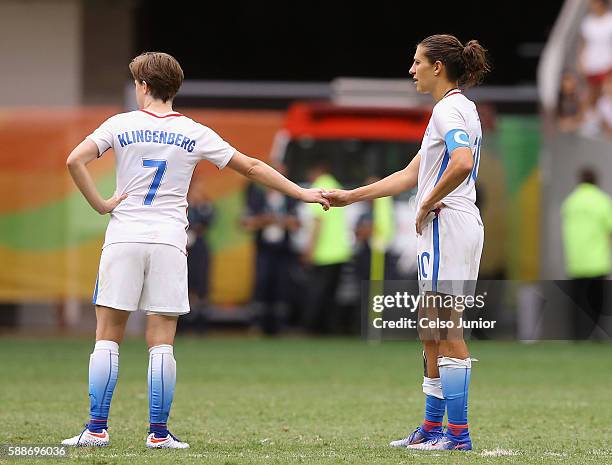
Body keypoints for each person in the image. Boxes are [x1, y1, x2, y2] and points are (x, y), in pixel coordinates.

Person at [62, 52, 329, 449]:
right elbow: (253, 167)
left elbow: (74, 160)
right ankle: (158, 434)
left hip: (124, 237)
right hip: (171, 241)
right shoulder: (194, 132)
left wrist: (101, 204)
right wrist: (303, 193)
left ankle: (96, 429)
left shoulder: (121, 124)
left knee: (107, 336)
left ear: (144, 86)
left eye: (137, 82)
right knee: (162, 339)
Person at [325, 34, 490, 451]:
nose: (411, 68)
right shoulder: (457, 109)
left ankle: (458, 435)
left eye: (417, 61)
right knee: (430, 326)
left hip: (446, 222)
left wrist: (426, 203)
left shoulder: (448, 109)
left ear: (438, 67)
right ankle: (434, 428)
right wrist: (351, 197)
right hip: (455, 221)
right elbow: (409, 175)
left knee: (445, 325)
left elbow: (462, 163)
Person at [241, 166, 301, 335]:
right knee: (261, 284)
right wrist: (265, 220)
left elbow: (296, 224)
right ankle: (257, 324)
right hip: (264, 249)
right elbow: (246, 223)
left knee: (281, 286)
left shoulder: (290, 199)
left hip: (283, 250)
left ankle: (279, 325)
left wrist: (280, 220)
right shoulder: (257, 197)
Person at [561, 168, 612, 339]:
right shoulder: (602, 201)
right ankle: (595, 336)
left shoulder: (570, 202)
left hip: (575, 262)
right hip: (597, 262)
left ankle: (578, 336)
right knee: (596, 303)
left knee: (577, 304)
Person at [302, 159, 351, 334]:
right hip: (340, 251)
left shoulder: (319, 188)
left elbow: (318, 222)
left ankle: (311, 328)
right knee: (331, 294)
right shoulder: (335, 186)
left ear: (316, 170)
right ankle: (330, 329)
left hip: (324, 252)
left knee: (316, 293)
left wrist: (309, 249)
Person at [578, 0, 612, 109]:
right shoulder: (587, 22)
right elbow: (583, 43)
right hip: (591, 65)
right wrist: (581, 61)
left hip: (607, 64)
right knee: (592, 97)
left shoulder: (610, 19)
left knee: (607, 97)